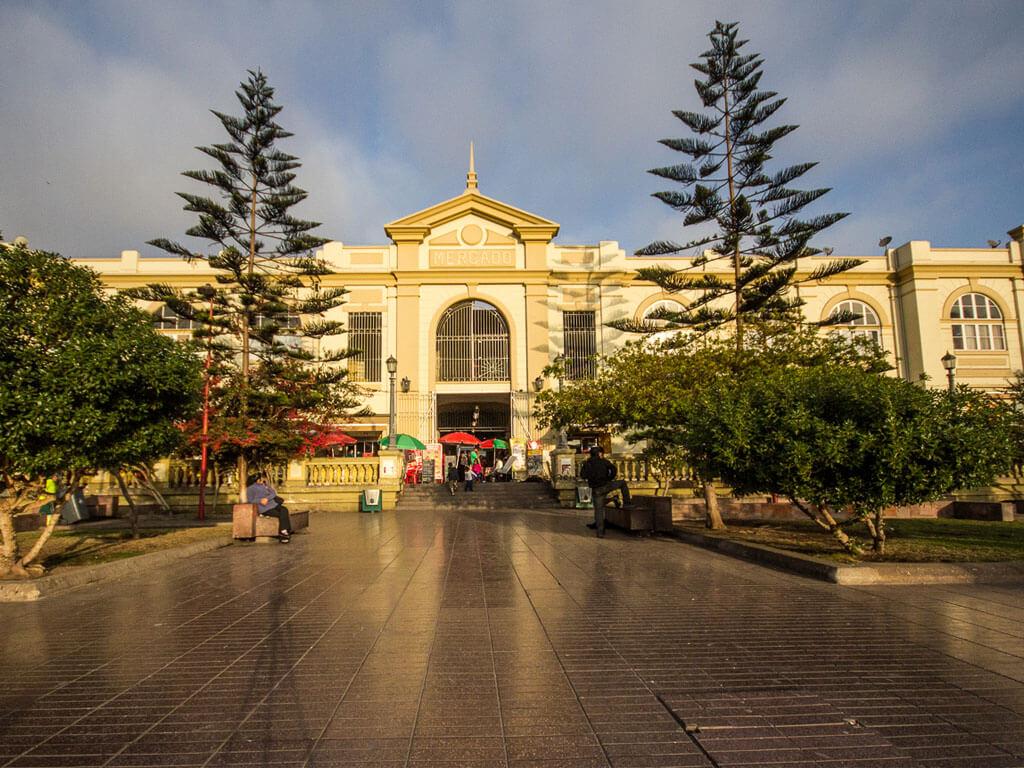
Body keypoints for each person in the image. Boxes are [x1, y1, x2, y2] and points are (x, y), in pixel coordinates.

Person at [579, 446, 631, 538]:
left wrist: (591, 476)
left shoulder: (587, 463)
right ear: (599, 453)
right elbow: (614, 469)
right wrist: (609, 478)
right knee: (623, 483)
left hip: (596, 489)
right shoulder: (603, 461)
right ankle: (627, 503)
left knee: (598, 511)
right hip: (606, 485)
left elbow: (583, 475)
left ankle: (600, 532)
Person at [245, 472, 292, 543]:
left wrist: (267, 498)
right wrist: (260, 500)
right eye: (261, 478)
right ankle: (284, 532)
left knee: (284, 510)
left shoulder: (265, 485)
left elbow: (273, 494)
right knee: (279, 514)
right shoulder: (250, 488)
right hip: (264, 508)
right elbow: (250, 500)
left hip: (273, 504)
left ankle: (283, 531)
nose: (263, 479)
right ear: (257, 479)